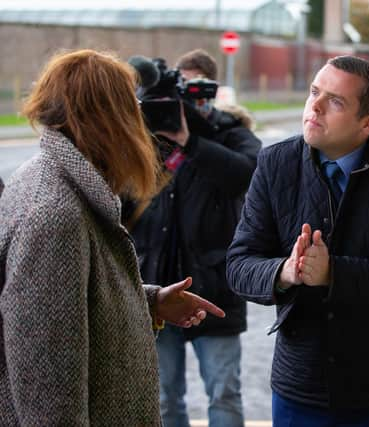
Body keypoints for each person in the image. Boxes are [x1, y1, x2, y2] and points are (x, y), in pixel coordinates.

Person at [0, 49, 225, 425]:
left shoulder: (55, 181)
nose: (141, 120)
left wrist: (147, 301)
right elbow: (47, 389)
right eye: (132, 107)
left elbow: (70, 308)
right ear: (109, 120)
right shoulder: (55, 214)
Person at [227, 55, 369, 426]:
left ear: (368, 122)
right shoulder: (274, 163)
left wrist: (334, 273)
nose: (314, 106)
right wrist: (285, 271)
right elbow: (238, 264)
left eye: (335, 101)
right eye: (315, 91)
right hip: (302, 382)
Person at [126, 48, 261, 427]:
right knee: (163, 397)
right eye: (179, 91)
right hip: (156, 285)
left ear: (212, 90)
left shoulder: (231, 133)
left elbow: (248, 173)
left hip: (215, 287)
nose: (187, 100)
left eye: (196, 90)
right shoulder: (147, 136)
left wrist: (191, 141)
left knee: (224, 395)